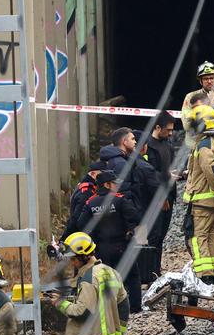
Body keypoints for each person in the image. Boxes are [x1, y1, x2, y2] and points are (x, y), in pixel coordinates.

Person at [182, 104, 214, 285]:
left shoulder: (204, 145)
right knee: (212, 236)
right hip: (212, 201)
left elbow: (212, 172)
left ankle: (204, 276)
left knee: (197, 237)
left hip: (203, 201)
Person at [86, 173, 143, 311]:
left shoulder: (91, 203)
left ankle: (109, 308)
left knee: (105, 278)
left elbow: (82, 224)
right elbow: (136, 216)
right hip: (121, 245)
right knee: (132, 276)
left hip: (101, 248)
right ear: (106, 184)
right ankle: (135, 307)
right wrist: (129, 228)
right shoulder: (119, 200)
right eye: (114, 183)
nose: (117, 186)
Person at [138, 110, 178, 284]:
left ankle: (155, 270)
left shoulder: (167, 144)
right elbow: (149, 174)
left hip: (167, 197)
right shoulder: (148, 146)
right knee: (152, 236)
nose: (170, 133)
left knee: (160, 236)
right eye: (168, 130)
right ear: (157, 127)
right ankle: (148, 272)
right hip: (154, 199)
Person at [99, 127, 159, 213]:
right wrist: (133, 218)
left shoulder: (117, 159)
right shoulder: (121, 164)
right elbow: (124, 194)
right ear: (124, 141)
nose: (135, 142)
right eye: (133, 139)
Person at [63, 162, 105, 238]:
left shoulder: (84, 185)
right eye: (101, 174)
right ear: (92, 173)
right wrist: (64, 238)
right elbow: (76, 217)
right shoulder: (87, 191)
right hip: (81, 236)